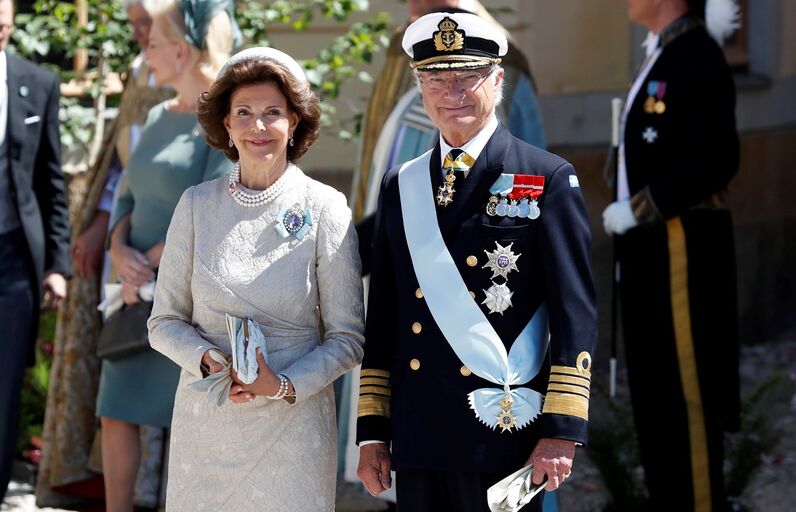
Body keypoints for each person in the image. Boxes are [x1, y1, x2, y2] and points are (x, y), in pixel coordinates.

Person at [355, 11, 597, 512]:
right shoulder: (402, 185)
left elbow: (575, 313)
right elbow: (384, 316)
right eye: (436, 79)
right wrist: (373, 431)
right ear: (420, 88)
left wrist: (562, 429)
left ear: (498, 79)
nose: (453, 92)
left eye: (469, 76)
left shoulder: (545, 177)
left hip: (503, 428)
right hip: (420, 431)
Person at [147, 46, 365, 511]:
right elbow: (163, 322)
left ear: (294, 122)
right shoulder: (195, 205)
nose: (258, 126)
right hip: (208, 422)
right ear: (226, 124)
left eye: (272, 113)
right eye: (244, 112)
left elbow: (347, 340)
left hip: (293, 425)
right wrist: (208, 360)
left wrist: (281, 384)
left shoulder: (326, 208)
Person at [95, 0, 238, 509]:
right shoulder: (157, 114)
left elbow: (213, 205)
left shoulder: (221, 122)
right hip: (134, 293)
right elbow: (127, 198)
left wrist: (151, 262)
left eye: (153, 44)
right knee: (114, 409)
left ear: (181, 51)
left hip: (184, 296)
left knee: (184, 419)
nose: (146, 53)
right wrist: (119, 251)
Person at [601, 0, 740, 510]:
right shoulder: (663, 51)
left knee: (686, 394)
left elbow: (718, 159)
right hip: (650, 247)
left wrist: (642, 206)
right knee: (655, 394)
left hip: (680, 243)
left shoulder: (696, 54)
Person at [35, 0, 173, 506]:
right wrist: (105, 231)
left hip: (172, 248)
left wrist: (158, 252)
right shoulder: (141, 69)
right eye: (133, 23)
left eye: (147, 23)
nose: (138, 33)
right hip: (126, 240)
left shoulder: (201, 78)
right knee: (119, 382)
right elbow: (122, 169)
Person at [0, 0, 69, 499]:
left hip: (14, 261)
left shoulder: (37, 83)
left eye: (3, 25)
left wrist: (57, 264)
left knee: (5, 385)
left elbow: (50, 181)